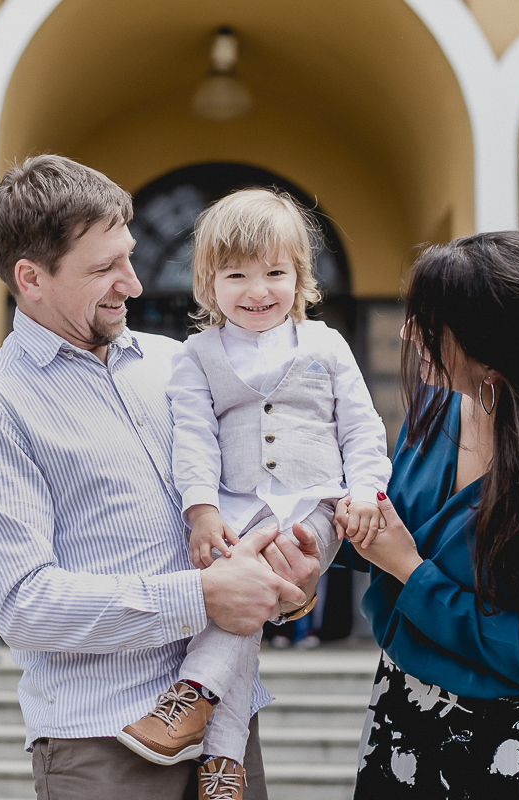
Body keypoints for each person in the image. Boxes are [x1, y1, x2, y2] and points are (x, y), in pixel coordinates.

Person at [0, 155, 324, 800]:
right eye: (104, 268)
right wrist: (203, 595)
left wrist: (287, 578)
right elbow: (23, 606)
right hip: (101, 745)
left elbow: (249, 500)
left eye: (130, 257)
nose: (135, 284)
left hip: (227, 734)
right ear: (31, 278)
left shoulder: (180, 363)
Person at [334, 229, 519, 798]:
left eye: (430, 325)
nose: (407, 334)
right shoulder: (438, 403)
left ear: (491, 353)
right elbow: (398, 534)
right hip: (407, 719)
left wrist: (411, 572)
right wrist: (322, 541)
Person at [118, 190, 391, 793]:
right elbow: (193, 437)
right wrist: (201, 510)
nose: (257, 290)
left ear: (300, 276)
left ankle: (192, 693)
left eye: (275, 273)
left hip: (317, 507)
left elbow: (361, 427)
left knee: (247, 589)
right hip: (238, 509)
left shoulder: (326, 344)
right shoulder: (197, 354)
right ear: (208, 283)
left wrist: (366, 491)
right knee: (240, 608)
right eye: (236, 275)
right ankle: (224, 766)